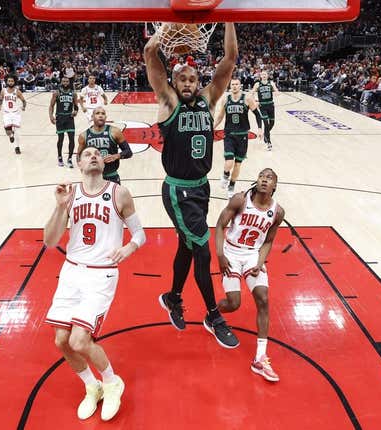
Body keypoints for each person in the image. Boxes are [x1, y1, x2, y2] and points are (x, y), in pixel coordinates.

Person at [144, 23, 240, 348]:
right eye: (182, 78)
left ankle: (172, 297)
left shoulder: (209, 100)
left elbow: (230, 59)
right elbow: (148, 54)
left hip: (201, 188)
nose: (187, 83)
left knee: (188, 245)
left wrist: (228, 19)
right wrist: (165, 31)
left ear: (198, 82)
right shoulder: (169, 102)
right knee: (202, 249)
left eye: (192, 79)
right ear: (173, 80)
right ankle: (213, 315)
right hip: (178, 190)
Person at [43, 146, 146, 421]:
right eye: (87, 154)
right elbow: (50, 241)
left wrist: (128, 248)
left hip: (101, 273)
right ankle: (92, 386)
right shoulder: (70, 194)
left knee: (79, 340)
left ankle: (112, 382)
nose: (93, 156)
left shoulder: (119, 193)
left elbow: (140, 233)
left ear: (104, 163)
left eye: (98, 154)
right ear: (78, 164)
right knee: (62, 341)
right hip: (71, 272)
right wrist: (59, 208)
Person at [215, 168, 284, 381]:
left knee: (263, 299)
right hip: (231, 252)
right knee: (234, 303)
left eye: (269, 178)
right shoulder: (240, 200)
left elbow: (269, 240)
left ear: (274, 186)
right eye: (262, 176)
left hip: (253, 254)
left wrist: (261, 261)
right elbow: (220, 225)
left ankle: (260, 358)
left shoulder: (278, 212)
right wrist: (219, 255)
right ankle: (213, 313)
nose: (264, 179)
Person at [214, 77, 264, 198]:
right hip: (229, 134)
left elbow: (257, 114)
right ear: (230, 86)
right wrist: (212, 127)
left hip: (242, 136)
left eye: (237, 84)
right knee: (229, 161)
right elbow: (220, 116)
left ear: (240, 86)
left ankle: (231, 186)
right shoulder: (225, 99)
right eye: (233, 84)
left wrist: (260, 128)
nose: (235, 86)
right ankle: (225, 175)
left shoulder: (247, 98)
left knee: (237, 164)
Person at [77, 107, 132, 184]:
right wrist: (83, 170)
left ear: (106, 117)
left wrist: (116, 156)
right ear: (92, 117)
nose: (100, 115)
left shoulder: (115, 131)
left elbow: (128, 152)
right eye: (97, 113)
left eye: (103, 113)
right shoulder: (84, 136)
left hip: (111, 176)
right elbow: (79, 156)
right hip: (93, 177)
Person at [49, 76, 79, 167]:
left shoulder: (73, 93)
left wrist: (76, 111)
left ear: (69, 82)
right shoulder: (56, 93)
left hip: (69, 118)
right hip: (60, 117)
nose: (65, 83)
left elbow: (76, 106)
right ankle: (59, 157)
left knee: (72, 139)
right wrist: (51, 116)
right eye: (63, 81)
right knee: (60, 139)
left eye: (67, 81)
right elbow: (51, 106)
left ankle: (70, 159)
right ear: (61, 82)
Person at [0, 75, 26, 154]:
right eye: (9, 81)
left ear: (14, 82)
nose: (10, 82)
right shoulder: (3, 91)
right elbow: (0, 99)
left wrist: (23, 107)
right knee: (8, 132)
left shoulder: (17, 91)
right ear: (7, 81)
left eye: (12, 81)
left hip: (16, 113)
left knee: (17, 131)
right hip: (6, 113)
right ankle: (11, 136)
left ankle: (17, 147)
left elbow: (24, 101)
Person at [252, 71, 279, 151]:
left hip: (271, 105)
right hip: (262, 106)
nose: (263, 76)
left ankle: (265, 133)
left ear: (267, 75)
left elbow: (276, 89)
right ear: (260, 76)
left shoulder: (271, 83)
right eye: (262, 74)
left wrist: (277, 92)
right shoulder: (257, 84)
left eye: (265, 74)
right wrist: (255, 101)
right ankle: (268, 142)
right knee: (266, 124)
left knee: (272, 123)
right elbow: (252, 92)